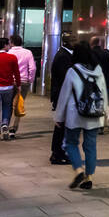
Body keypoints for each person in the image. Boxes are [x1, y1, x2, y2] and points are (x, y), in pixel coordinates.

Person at [55, 41, 108, 190]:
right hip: (94, 114)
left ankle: (79, 170)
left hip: (75, 114)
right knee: (90, 146)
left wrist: (59, 117)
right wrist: (105, 115)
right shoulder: (98, 71)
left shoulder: (73, 71)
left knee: (71, 143)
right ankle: (89, 177)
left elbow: (64, 95)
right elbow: (103, 93)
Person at [48, 37, 75, 165]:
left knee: (62, 125)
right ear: (68, 43)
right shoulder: (64, 56)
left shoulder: (63, 54)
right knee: (61, 125)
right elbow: (66, 78)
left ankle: (58, 152)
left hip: (61, 94)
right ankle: (57, 153)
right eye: (74, 41)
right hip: (62, 95)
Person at [6, 34, 36, 140]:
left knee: (8, 104)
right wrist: (30, 80)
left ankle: (5, 124)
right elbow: (32, 68)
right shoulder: (28, 53)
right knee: (19, 104)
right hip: (23, 82)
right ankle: (13, 129)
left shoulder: (9, 53)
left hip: (10, 81)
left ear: (11, 42)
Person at [90, 37, 109, 131]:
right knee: (105, 100)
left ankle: (100, 125)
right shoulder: (105, 54)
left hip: (94, 81)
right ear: (99, 43)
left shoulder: (90, 53)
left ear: (91, 43)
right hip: (105, 81)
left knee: (97, 102)